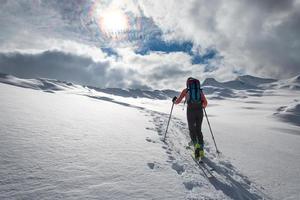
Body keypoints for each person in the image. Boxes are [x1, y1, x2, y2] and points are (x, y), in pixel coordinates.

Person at [172, 77, 208, 160]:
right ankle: (201, 149)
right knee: (198, 130)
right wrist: (201, 105)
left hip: (190, 111)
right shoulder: (200, 91)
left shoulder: (186, 91)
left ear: (188, 84)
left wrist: (174, 101)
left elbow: (177, 101)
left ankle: (196, 149)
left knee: (192, 129)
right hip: (199, 111)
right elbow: (205, 103)